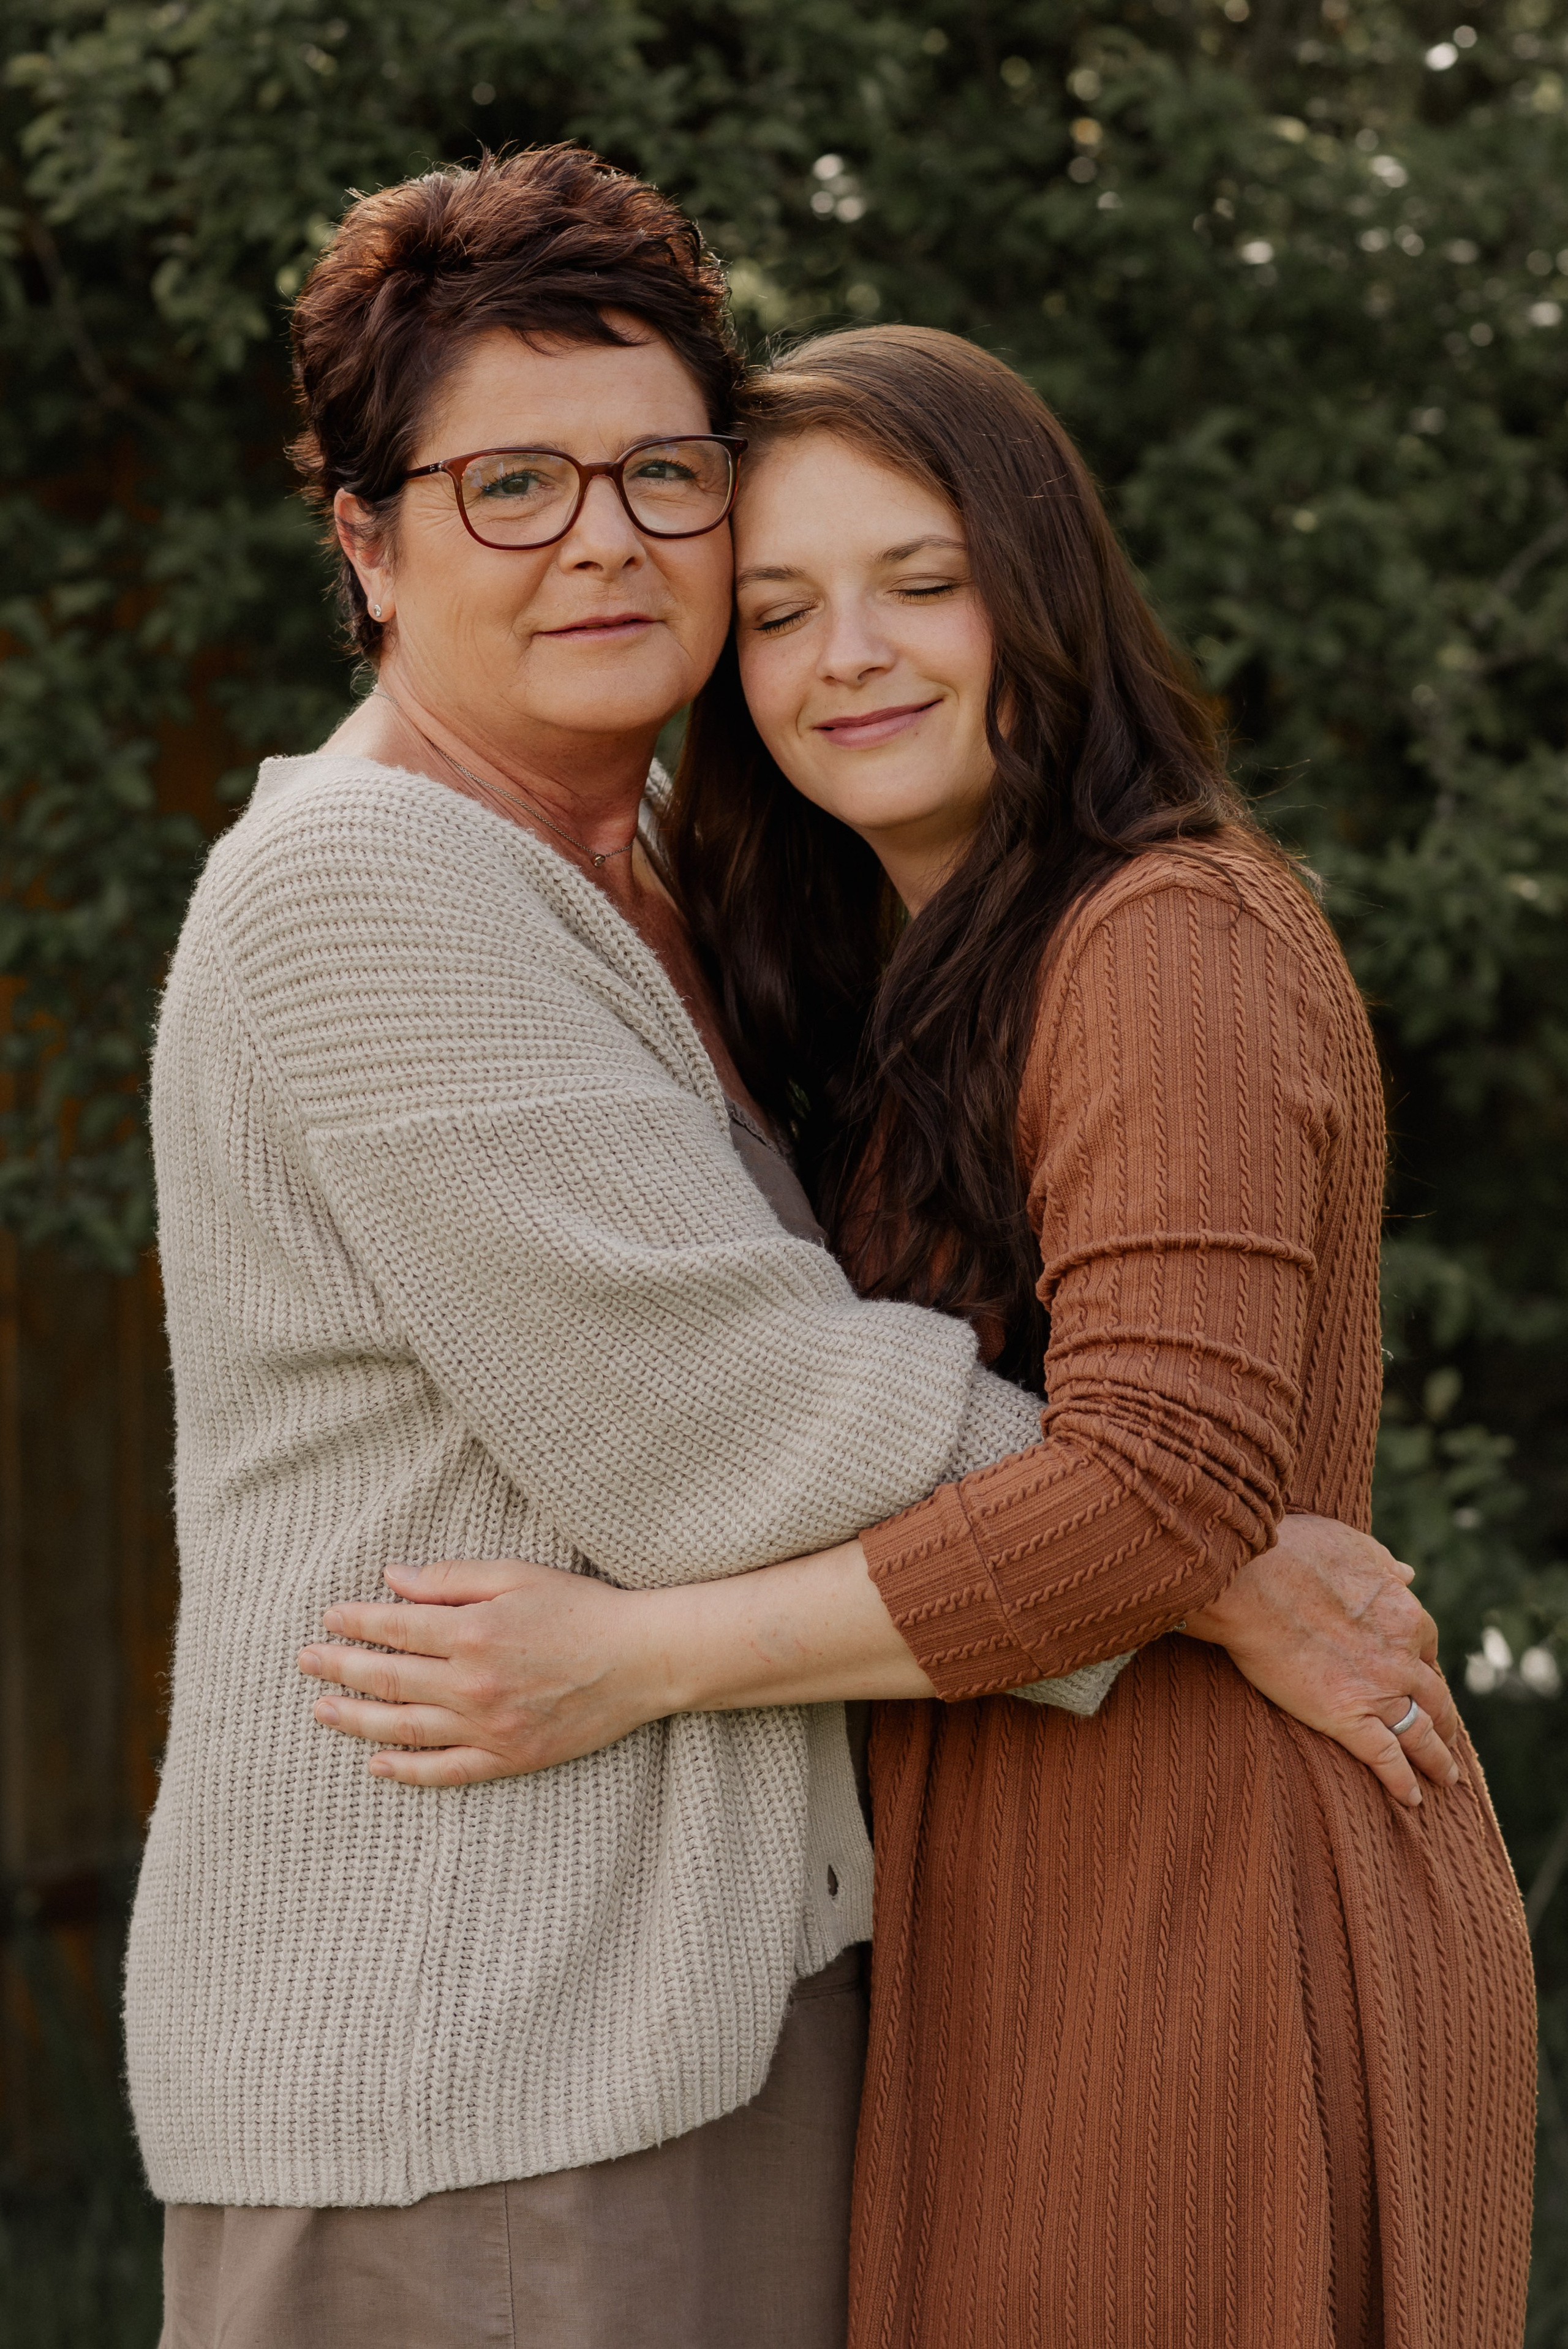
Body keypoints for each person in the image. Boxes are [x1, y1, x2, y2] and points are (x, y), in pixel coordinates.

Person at [306, 325, 1537, 2347]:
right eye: (779, 610)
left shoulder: (1164, 938)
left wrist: (632, 1663)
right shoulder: (905, 975)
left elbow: (1157, 1487)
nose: (847, 654)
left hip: (1202, 1880)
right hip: (1021, 1882)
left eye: (921, 580)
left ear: (1037, 589)